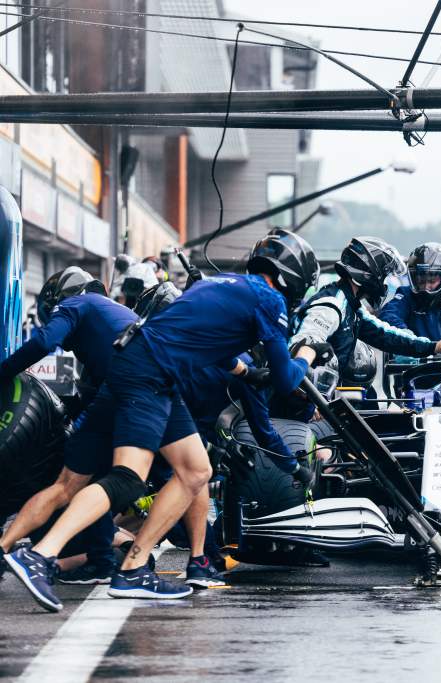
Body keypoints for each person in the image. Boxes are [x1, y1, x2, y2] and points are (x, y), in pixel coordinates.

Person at [5, 229, 322, 612]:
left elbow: (188, 336)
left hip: (142, 368)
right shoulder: (269, 300)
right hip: (151, 376)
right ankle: (42, 555)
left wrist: (243, 372)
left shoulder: (224, 283)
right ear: (293, 279)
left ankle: (134, 566)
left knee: (195, 470)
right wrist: (308, 351)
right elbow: (288, 379)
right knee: (126, 479)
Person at [0, 268, 135, 585]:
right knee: (187, 472)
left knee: (78, 474)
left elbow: (43, 342)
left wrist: (3, 373)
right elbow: (90, 396)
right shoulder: (111, 319)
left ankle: (100, 560)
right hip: (151, 392)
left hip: (131, 392)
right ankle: (202, 558)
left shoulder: (75, 305)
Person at [290, 237, 441, 373]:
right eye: (384, 276)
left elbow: (385, 334)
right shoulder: (332, 306)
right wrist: (310, 399)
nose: (384, 284)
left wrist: (433, 346)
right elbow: (301, 348)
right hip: (298, 408)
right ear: (370, 275)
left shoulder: (353, 306)